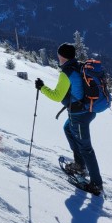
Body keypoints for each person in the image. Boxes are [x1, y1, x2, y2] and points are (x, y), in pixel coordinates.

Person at [35, 43, 103, 195]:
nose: (57, 57)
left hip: (80, 115)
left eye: (59, 54)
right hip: (86, 111)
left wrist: (42, 88)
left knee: (87, 149)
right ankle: (79, 164)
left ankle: (96, 184)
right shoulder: (78, 66)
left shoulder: (66, 73)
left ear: (62, 56)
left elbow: (56, 96)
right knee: (67, 128)